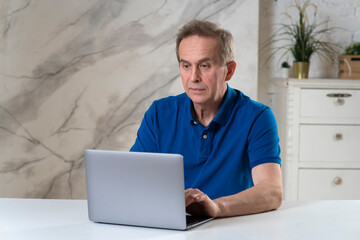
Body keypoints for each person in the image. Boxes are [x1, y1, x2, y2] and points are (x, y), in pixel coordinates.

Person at [130, 20, 282, 218]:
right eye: (186, 66)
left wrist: (216, 208)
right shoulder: (159, 113)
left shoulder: (257, 117)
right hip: (172, 225)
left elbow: (272, 191)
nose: (193, 77)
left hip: (233, 225)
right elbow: (133, 180)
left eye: (204, 65)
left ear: (229, 70)